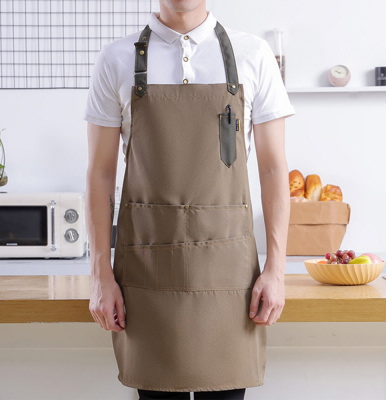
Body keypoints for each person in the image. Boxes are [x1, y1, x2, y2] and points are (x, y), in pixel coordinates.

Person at [84, 1, 295, 399]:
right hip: (147, 270)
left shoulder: (253, 53)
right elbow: (100, 175)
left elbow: (273, 169)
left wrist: (276, 270)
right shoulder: (115, 58)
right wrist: (100, 275)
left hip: (228, 272)